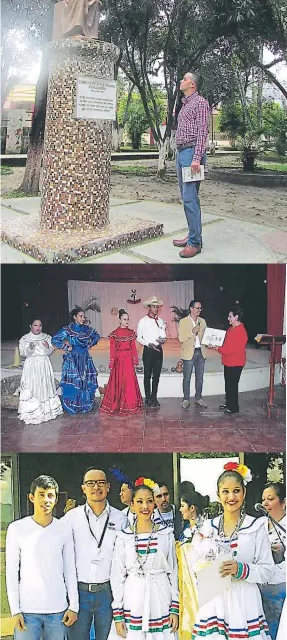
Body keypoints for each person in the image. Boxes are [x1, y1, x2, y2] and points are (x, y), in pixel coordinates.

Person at [189, 461, 273, 640]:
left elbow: (267, 571)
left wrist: (240, 569)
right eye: (225, 491)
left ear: (244, 493)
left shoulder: (256, 526)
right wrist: (208, 569)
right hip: (214, 601)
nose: (231, 497)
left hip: (244, 601)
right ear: (218, 494)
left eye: (236, 490)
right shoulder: (206, 527)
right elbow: (193, 564)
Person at [6, 474, 78, 640]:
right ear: (31, 497)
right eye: (41, 494)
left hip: (58, 611)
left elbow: (69, 569)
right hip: (27, 611)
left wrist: (73, 605)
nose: (46, 500)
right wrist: (15, 610)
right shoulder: (17, 529)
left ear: (55, 499)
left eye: (50, 495)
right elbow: (11, 572)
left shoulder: (64, 529)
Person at [109, 478, 179, 640]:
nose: (145, 506)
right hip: (133, 598)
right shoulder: (123, 536)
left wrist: (174, 607)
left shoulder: (166, 534)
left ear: (154, 504)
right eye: (139, 501)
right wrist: (118, 613)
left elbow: (173, 573)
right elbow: (117, 576)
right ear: (132, 505)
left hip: (160, 598)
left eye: (149, 501)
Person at [63, 467, 127, 640]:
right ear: (83, 488)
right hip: (79, 592)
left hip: (108, 593)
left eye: (100, 483)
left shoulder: (120, 519)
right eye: (90, 483)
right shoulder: (71, 518)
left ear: (108, 486)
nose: (95, 487)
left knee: (108, 639)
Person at [173, 72, 210, 258]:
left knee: (190, 198)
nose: (181, 80)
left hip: (191, 154)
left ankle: (195, 243)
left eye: (185, 79)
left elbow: (203, 132)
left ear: (193, 84)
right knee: (189, 198)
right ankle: (192, 235)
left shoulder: (201, 103)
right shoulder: (185, 103)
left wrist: (196, 158)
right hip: (182, 153)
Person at [52, 307, 100, 414]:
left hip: (85, 358)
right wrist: (66, 347)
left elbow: (97, 336)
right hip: (73, 358)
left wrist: (90, 344)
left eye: (83, 316)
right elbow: (55, 339)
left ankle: (84, 403)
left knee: (84, 381)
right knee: (75, 381)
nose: (83, 318)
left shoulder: (87, 329)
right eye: (80, 316)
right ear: (75, 317)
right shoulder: (69, 329)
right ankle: (73, 404)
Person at [176, 491, 209, 640]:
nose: (180, 509)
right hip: (187, 584)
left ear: (192, 508)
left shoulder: (206, 530)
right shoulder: (188, 530)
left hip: (199, 584)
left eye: (183, 506)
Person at [17, 318, 63, 425]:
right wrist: (30, 348)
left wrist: (48, 347)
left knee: (44, 385)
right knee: (32, 385)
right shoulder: (25, 339)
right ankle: (32, 410)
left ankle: (47, 410)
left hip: (44, 364)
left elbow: (49, 351)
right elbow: (23, 353)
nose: (38, 328)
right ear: (30, 326)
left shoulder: (46, 337)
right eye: (35, 325)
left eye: (40, 325)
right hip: (32, 365)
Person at [100, 309, 143, 415]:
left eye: (128, 319)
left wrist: (135, 360)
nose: (126, 321)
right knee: (118, 381)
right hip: (119, 360)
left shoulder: (131, 333)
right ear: (119, 320)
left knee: (128, 382)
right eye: (124, 319)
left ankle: (129, 404)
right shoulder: (114, 334)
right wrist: (112, 362)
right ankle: (118, 403)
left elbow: (133, 347)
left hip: (128, 359)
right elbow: (112, 350)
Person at [209, 303, 248, 414]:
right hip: (229, 361)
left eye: (230, 316)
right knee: (228, 384)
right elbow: (226, 344)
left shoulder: (240, 331)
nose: (228, 318)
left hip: (235, 362)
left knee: (232, 385)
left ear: (236, 317)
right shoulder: (232, 329)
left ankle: (234, 407)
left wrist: (216, 347)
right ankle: (229, 403)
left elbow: (230, 350)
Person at [259, 482, 286, 640]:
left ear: (284, 503)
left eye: (270, 499)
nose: (265, 503)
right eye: (263, 499)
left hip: (281, 586)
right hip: (260, 585)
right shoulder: (259, 525)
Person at [137, 296, 167, 408]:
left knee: (156, 375)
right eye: (154, 306)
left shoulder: (160, 321)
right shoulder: (143, 321)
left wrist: (163, 339)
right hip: (149, 350)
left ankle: (154, 397)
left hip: (158, 350)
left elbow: (163, 336)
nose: (156, 308)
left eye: (157, 306)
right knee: (147, 374)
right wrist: (149, 344)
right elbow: (139, 338)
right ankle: (148, 398)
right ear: (149, 307)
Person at [178, 300, 208, 410]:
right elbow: (181, 338)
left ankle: (198, 398)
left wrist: (210, 340)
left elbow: (205, 336)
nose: (199, 310)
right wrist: (192, 332)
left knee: (200, 378)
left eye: (200, 308)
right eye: (197, 308)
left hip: (201, 352)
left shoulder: (203, 321)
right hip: (189, 353)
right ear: (191, 308)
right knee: (187, 378)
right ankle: (186, 399)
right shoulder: (183, 321)